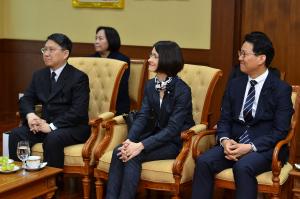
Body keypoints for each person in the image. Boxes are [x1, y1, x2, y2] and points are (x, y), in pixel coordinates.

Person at [191, 32, 294, 199]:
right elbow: (224, 119)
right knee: (204, 162)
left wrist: (250, 147)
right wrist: (225, 141)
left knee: (243, 167)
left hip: (265, 148)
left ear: (261, 59)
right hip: (234, 144)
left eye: (244, 54)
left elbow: (280, 131)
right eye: (240, 53)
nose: (240, 58)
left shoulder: (281, 89)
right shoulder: (235, 84)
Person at [105, 41, 195, 199]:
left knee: (134, 155)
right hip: (155, 137)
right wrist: (129, 141)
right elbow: (143, 116)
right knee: (120, 151)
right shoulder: (150, 85)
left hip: (175, 142)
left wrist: (140, 145)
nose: (149, 59)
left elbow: (173, 129)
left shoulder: (182, 91)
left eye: (154, 56)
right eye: (150, 55)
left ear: (167, 59)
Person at [9, 33, 90, 169]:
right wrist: (31, 116)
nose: (46, 54)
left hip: (72, 127)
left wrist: (52, 126)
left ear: (65, 54)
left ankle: (52, 184)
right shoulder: (39, 75)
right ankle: (20, 181)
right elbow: (26, 99)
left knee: (53, 138)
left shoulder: (78, 78)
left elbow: (78, 111)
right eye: (44, 49)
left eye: (51, 50)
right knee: (17, 134)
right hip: (44, 125)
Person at [91, 26, 130, 115]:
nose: (96, 42)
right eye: (96, 38)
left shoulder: (122, 60)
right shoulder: (90, 59)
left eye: (100, 39)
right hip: (93, 101)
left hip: (116, 104)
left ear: (111, 40)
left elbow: (121, 86)